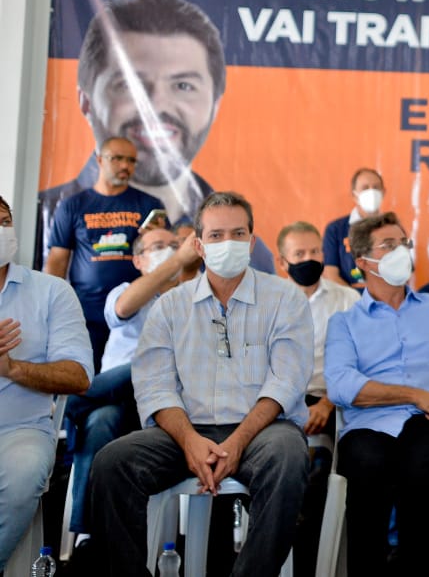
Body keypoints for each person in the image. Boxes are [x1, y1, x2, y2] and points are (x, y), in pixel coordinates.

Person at [89, 191, 313, 577]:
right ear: (198, 245)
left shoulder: (285, 299)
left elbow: (286, 381)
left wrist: (237, 442)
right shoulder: (169, 306)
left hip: (261, 432)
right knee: (112, 464)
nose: (228, 243)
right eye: (216, 235)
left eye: (238, 234)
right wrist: (189, 440)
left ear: (252, 241)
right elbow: (155, 385)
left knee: (289, 457)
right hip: (184, 432)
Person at [36, 0, 274, 273]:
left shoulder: (248, 251)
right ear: (85, 100)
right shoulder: (52, 211)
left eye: (183, 86)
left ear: (214, 105)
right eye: (130, 85)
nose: (156, 107)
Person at [324, 212, 429, 576]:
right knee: (367, 471)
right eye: (389, 245)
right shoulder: (345, 322)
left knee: (425, 474)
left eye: (404, 243)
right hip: (368, 427)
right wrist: (415, 395)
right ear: (363, 261)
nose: (401, 252)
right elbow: (341, 385)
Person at [65, 224, 197, 543]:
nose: (170, 251)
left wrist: (185, 266)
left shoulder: (192, 296)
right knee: (100, 420)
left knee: (151, 365)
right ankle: (87, 537)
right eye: (158, 247)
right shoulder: (125, 290)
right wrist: (177, 259)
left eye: (174, 245)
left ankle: (69, 402)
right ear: (138, 261)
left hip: (164, 401)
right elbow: (123, 308)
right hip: (113, 397)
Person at [0, 195, 93, 572]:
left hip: (21, 429)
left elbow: (78, 376)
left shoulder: (51, 291)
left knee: (24, 474)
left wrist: (11, 369)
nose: (0, 230)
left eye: (4, 221)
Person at [274, 220, 359, 577]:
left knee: (323, 469)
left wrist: (328, 403)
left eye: (315, 251)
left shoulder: (348, 300)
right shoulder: (266, 301)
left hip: (333, 401)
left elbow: (360, 364)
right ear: (282, 262)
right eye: (299, 254)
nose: (309, 259)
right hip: (279, 403)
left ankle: (315, 560)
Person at [43, 136, 162, 368]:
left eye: (131, 160)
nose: (125, 165)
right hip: (85, 312)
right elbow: (57, 260)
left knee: (126, 381)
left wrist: (155, 237)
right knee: (83, 376)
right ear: (99, 160)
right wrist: (50, 308)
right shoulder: (73, 205)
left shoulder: (149, 205)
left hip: (133, 312)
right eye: (117, 158)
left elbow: (161, 258)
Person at [321, 167, 386, 288]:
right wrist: (354, 295)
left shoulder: (393, 230)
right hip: (346, 297)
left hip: (384, 297)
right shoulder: (335, 229)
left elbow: (403, 273)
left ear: (383, 192)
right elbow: (330, 274)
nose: (371, 192)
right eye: (365, 188)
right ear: (354, 195)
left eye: (376, 187)